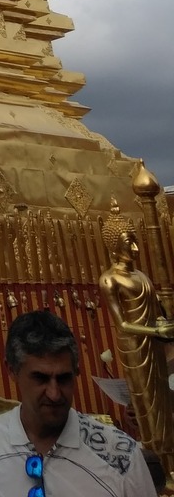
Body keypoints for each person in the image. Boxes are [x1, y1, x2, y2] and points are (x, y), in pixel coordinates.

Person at [0, 309, 155, 497]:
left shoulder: (120, 453)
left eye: (63, 379)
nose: (54, 394)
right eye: (40, 378)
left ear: (76, 372)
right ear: (12, 370)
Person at [100, 198, 174, 481]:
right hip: (135, 346)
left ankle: (170, 463)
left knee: (163, 405)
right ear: (113, 246)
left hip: (155, 346)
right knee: (146, 408)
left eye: (134, 241)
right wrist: (154, 332)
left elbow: (160, 312)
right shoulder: (109, 279)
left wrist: (163, 326)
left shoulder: (142, 275)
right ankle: (159, 469)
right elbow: (122, 323)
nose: (134, 248)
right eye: (127, 242)